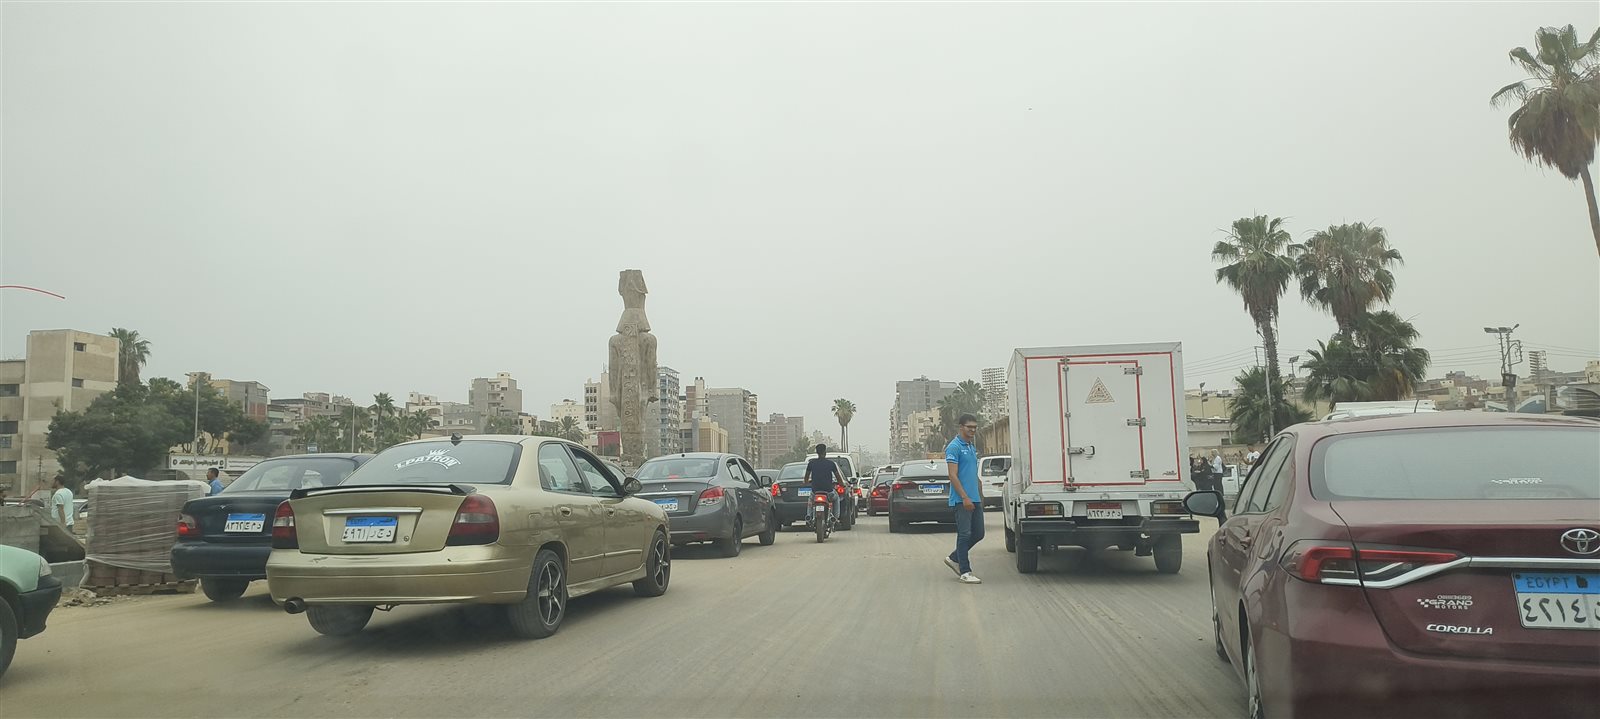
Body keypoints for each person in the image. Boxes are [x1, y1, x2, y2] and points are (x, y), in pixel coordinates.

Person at [943, 414, 983, 585]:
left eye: (975, 427)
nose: (972, 430)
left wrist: (980, 493)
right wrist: (965, 497)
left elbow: (972, 473)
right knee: (965, 534)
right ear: (961, 427)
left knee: (979, 533)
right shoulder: (954, 447)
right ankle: (965, 571)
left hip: (975, 498)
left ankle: (954, 558)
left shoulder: (971, 446)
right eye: (969, 427)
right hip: (962, 500)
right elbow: (952, 475)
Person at [804, 445, 845, 524]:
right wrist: (842, 484)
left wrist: (806, 482)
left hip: (815, 492)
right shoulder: (831, 464)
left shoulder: (811, 464)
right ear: (825, 452)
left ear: (817, 452)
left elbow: (806, 478)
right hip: (828, 492)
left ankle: (809, 517)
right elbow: (838, 477)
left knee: (810, 500)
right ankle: (835, 518)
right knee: (836, 498)